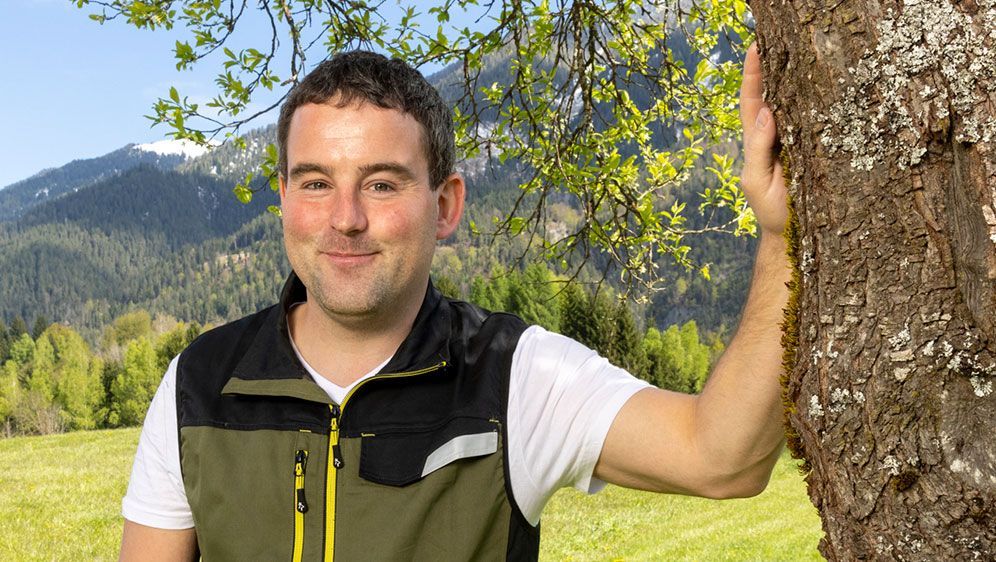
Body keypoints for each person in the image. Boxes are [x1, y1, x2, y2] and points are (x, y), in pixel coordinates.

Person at [119, 44, 788, 561]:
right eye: (316, 182)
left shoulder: (513, 377)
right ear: (286, 199)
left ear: (445, 206)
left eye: (382, 185)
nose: (345, 218)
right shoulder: (201, 383)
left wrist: (783, 238)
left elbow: (722, 456)